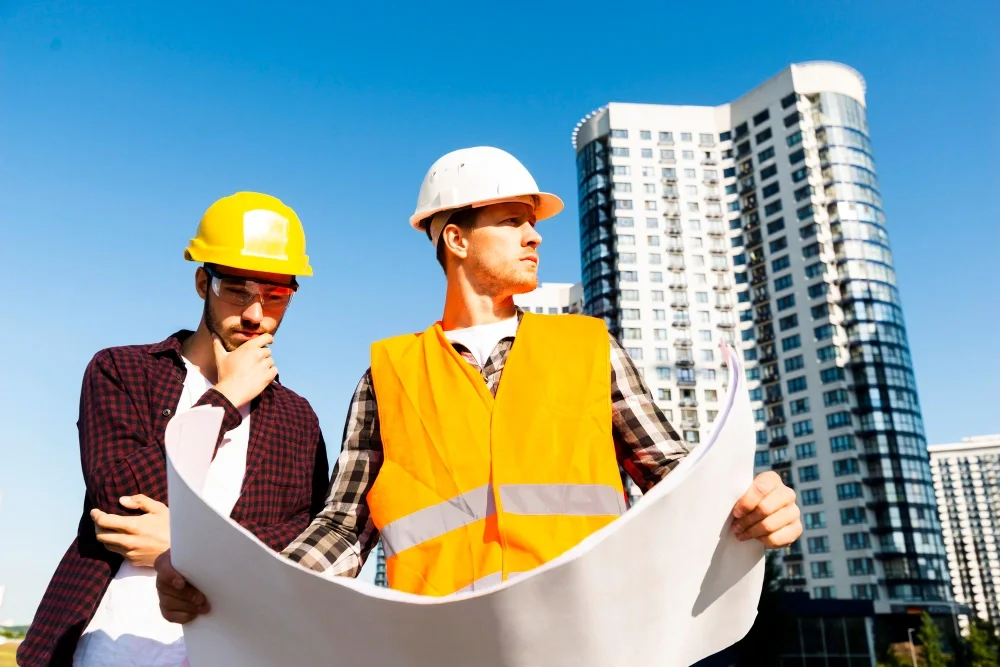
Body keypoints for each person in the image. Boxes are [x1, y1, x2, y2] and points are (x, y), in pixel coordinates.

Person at [155, 147, 802, 618]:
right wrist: (238, 594)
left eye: (534, 221)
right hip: (442, 649)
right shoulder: (390, 374)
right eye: (513, 220)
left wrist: (750, 502)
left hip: (593, 641)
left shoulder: (588, 349)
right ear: (457, 239)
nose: (534, 235)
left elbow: (679, 481)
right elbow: (341, 530)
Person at [19, 192, 331, 667]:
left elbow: (303, 540)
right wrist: (224, 400)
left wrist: (186, 547)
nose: (254, 314)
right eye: (236, 290)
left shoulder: (298, 419)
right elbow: (115, 494)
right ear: (202, 281)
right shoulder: (121, 370)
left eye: (275, 296)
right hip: (100, 647)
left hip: (230, 650)